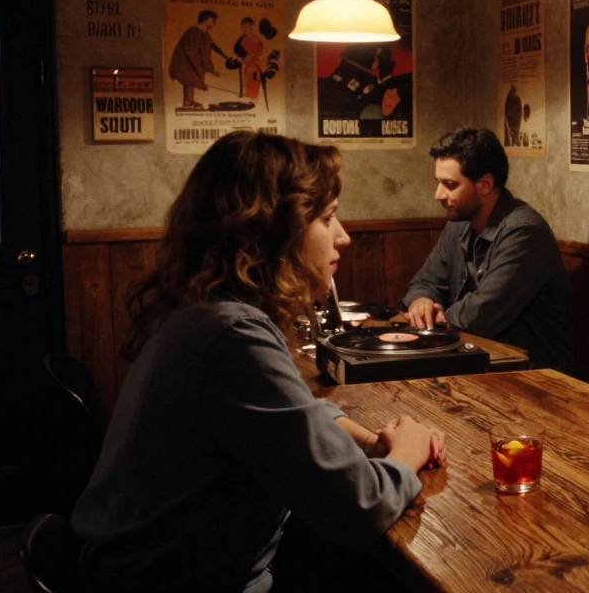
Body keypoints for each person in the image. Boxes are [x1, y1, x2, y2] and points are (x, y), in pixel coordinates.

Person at [71, 131, 446, 591]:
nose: (344, 236)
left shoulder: (204, 311)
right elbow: (356, 508)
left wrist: (368, 441)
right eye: (328, 217)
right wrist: (408, 452)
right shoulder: (231, 337)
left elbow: (289, 417)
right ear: (272, 229)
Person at [403, 128, 575, 373]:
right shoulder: (460, 220)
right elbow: (425, 280)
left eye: (449, 185)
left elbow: (482, 313)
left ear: (485, 184)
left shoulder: (524, 232)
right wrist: (422, 301)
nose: (438, 195)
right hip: (478, 363)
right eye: (438, 183)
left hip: (532, 375)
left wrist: (440, 317)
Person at [168, 9, 229, 109]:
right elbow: (191, 52)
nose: (214, 23)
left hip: (192, 60)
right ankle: (188, 102)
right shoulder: (192, 32)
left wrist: (225, 56)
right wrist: (202, 67)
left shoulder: (205, 34)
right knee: (190, 78)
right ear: (205, 20)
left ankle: (189, 101)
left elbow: (212, 46)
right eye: (212, 20)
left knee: (192, 79)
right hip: (184, 61)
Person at [233, 16, 264, 100]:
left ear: (252, 27)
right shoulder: (243, 40)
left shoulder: (257, 41)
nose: (246, 29)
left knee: (253, 84)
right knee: (246, 85)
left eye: (248, 27)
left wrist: (249, 57)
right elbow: (238, 50)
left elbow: (256, 54)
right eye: (244, 27)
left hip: (254, 67)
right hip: (246, 67)